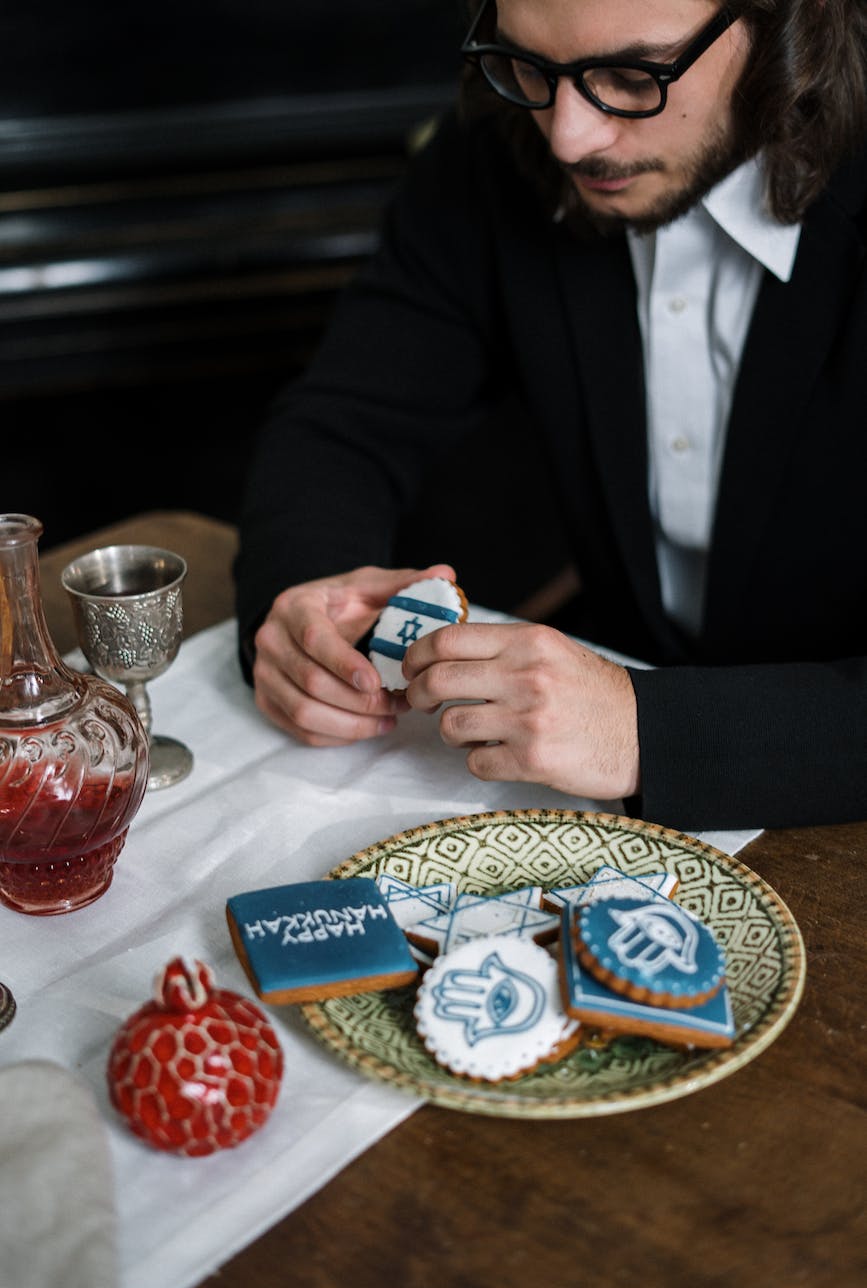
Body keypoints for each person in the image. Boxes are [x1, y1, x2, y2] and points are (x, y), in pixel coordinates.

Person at [233, 0, 867, 831]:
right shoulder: (500, 142)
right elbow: (345, 419)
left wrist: (649, 729)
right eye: (526, 64)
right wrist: (303, 601)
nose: (568, 138)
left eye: (631, 75)